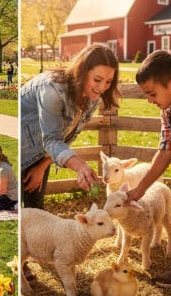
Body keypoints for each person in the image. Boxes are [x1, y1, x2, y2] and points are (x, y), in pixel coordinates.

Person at [20, 43, 120, 210]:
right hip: (20, 150)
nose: (102, 87)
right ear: (82, 72)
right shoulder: (51, 89)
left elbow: (66, 137)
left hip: (41, 155)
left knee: (35, 211)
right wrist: (80, 166)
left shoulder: (92, 97)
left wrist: (42, 166)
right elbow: (52, 139)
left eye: (108, 81)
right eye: (97, 79)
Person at [124, 51, 171, 287]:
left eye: (152, 93)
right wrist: (140, 190)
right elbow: (166, 150)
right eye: (145, 94)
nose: (149, 100)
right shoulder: (168, 112)